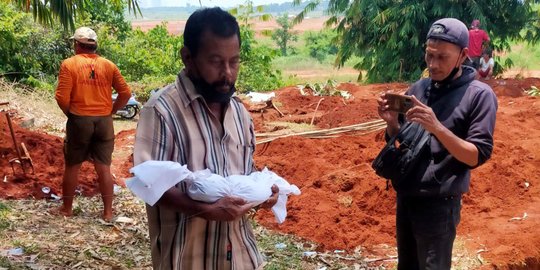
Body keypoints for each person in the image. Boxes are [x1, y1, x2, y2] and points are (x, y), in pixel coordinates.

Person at [133, 7, 278, 269]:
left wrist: (263, 194)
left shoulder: (240, 114)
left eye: (234, 61)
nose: (228, 74)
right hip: (187, 258)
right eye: (215, 61)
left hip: (240, 255)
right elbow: (147, 183)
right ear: (188, 57)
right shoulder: (162, 111)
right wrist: (205, 210)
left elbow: (243, 174)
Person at [377, 18, 497, 269]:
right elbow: (404, 144)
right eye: (429, 56)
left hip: (439, 206)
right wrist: (392, 124)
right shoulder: (420, 88)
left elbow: (476, 155)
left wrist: (437, 127)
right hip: (407, 198)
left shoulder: (479, 95)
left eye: (442, 57)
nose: (433, 64)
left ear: (463, 55)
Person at [54, 26, 131, 221]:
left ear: (77, 45)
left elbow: (62, 97)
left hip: (80, 120)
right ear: (94, 46)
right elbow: (125, 94)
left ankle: (67, 208)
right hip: (104, 121)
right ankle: (107, 212)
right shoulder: (109, 65)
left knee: (73, 165)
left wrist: (71, 114)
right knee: (104, 167)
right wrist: (112, 111)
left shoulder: (69, 64)